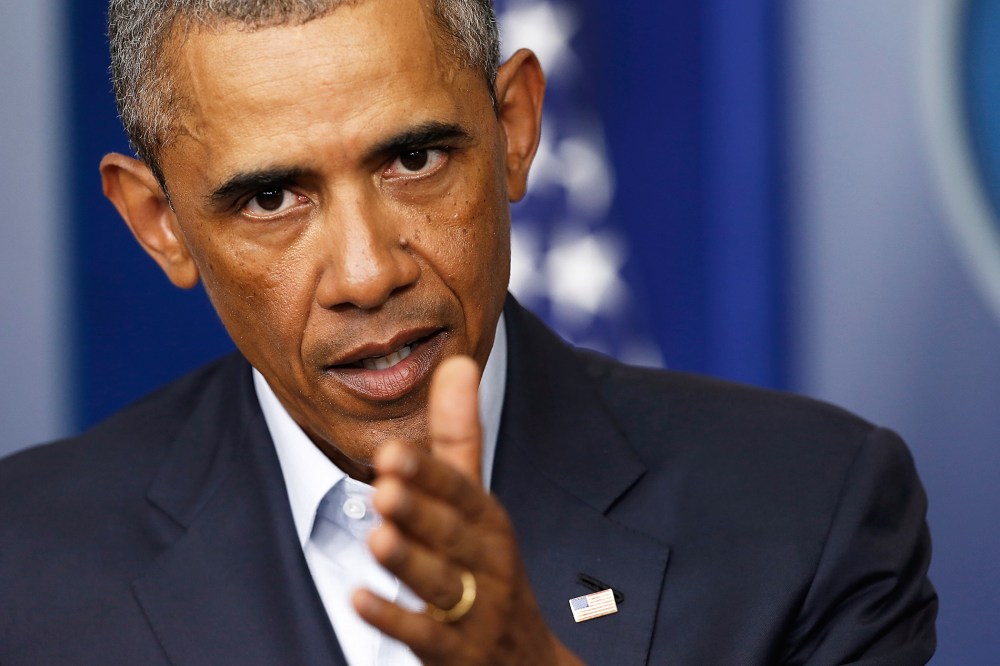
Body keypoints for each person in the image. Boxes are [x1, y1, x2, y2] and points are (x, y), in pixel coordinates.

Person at [0, 0, 936, 663]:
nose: (369, 273)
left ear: (517, 126)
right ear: (158, 222)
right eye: (272, 198)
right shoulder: (23, 568)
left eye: (413, 158)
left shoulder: (811, 513)